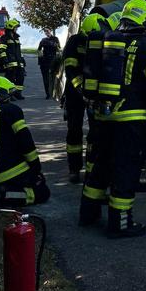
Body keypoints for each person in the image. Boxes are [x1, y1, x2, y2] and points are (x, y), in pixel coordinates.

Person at [88, 0, 146, 238]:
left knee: (100, 166)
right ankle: (120, 224)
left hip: (105, 117)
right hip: (131, 120)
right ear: (145, 20)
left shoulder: (110, 40)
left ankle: (89, 213)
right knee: (126, 169)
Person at [0, 75, 50, 208]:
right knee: (42, 191)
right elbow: (25, 140)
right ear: (0, 94)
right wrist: (35, 167)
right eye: (8, 94)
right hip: (11, 172)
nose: (10, 98)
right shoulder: (12, 110)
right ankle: (2, 196)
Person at [78, 11, 121, 226]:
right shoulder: (109, 43)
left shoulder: (94, 43)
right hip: (106, 112)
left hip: (98, 109)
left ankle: (89, 212)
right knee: (104, 158)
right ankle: (110, 215)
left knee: (98, 159)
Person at [61, 22, 87, 183]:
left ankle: (92, 168)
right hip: (75, 92)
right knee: (74, 129)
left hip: (94, 91)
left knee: (97, 132)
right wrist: (80, 88)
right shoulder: (74, 42)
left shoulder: (101, 39)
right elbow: (70, 68)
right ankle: (74, 169)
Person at [0, 18, 26, 100]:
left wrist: (22, 60)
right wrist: (5, 60)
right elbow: (2, 50)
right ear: (11, 28)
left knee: (21, 78)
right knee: (10, 79)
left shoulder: (17, 38)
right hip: (10, 63)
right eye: (15, 27)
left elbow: (19, 51)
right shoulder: (4, 38)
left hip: (18, 62)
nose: (16, 29)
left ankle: (18, 93)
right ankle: (10, 95)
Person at [37, 28, 59, 99]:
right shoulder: (43, 40)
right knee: (45, 79)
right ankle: (48, 94)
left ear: (50, 31)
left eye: (48, 31)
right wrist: (40, 58)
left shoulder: (55, 39)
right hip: (45, 61)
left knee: (53, 78)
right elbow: (39, 50)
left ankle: (53, 93)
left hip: (53, 60)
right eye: (45, 31)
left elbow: (58, 48)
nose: (46, 32)